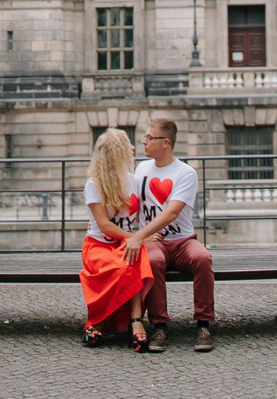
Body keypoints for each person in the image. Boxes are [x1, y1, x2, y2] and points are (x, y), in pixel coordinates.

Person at [123, 118, 215, 353]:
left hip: (183, 240)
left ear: (165, 143)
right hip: (154, 242)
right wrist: (132, 234)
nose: (143, 141)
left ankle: (204, 324)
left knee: (203, 258)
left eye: (149, 138)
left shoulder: (185, 172)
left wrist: (139, 235)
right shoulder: (141, 168)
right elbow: (132, 204)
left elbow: (172, 212)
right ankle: (159, 325)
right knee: (152, 262)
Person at [79, 128, 154, 352]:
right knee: (120, 267)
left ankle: (135, 319)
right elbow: (104, 225)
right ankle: (99, 321)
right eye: (127, 145)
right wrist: (137, 237)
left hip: (124, 242)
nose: (134, 148)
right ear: (116, 153)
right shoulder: (94, 184)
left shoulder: (134, 180)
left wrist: (143, 236)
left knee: (134, 259)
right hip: (98, 245)